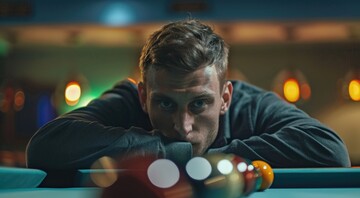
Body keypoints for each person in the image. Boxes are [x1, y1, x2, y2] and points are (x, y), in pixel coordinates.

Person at [26, 19, 351, 173]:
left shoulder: (251, 105)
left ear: (225, 98)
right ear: (143, 96)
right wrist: (178, 152)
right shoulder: (126, 100)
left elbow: (331, 151)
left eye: (200, 104)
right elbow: (45, 147)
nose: (183, 127)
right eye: (165, 103)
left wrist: (217, 156)